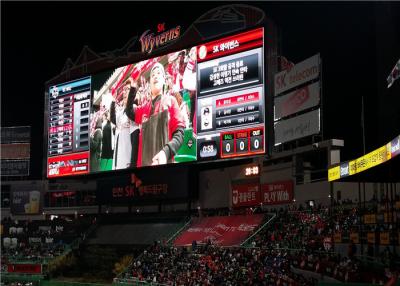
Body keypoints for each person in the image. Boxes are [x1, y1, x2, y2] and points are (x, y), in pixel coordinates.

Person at [127, 62, 185, 167]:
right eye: (153, 75)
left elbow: (179, 135)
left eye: (159, 73)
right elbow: (129, 111)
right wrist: (133, 86)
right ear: (149, 83)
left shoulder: (171, 101)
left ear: (164, 80)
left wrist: (165, 152)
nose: (155, 76)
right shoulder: (144, 107)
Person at [110, 79, 139, 169]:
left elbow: (135, 139)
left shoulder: (134, 109)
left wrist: (133, 165)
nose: (125, 92)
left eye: (128, 89)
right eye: (124, 89)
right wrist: (113, 102)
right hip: (117, 159)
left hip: (127, 161)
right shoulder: (121, 111)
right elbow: (113, 119)